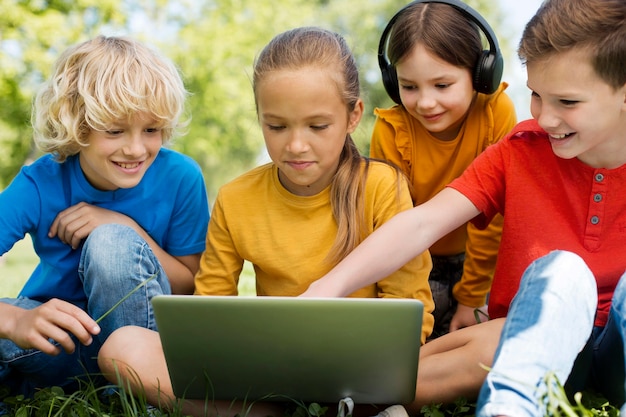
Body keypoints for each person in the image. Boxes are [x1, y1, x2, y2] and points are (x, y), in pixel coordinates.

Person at [302, 0, 626, 415]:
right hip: (532, 342)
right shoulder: (520, 151)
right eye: (537, 96)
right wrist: (328, 287)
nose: (544, 117)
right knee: (560, 274)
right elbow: (423, 223)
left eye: (568, 102)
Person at [97, 27, 434, 417]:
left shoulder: (381, 187)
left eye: (317, 126)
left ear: (352, 116)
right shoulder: (236, 198)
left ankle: (359, 405)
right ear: (259, 118)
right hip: (270, 377)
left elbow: (410, 312)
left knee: (459, 354)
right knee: (122, 347)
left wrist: (369, 367)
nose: (295, 145)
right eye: (276, 126)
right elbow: (209, 309)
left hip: (362, 372)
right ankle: (273, 413)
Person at [0, 35, 209, 397]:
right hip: (64, 344)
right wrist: (16, 319)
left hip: (144, 348)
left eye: (151, 130)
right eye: (114, 131)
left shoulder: (180, 176)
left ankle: (134, 392)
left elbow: (189, 284)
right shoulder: (40, 182)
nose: (135, 148)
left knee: (112, 241)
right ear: (77, 126)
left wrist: (124, 227)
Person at [373, 0, 516, 338]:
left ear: (480, 74)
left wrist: (470, 298)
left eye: (442, 85)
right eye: (409, 87)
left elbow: (494, 220)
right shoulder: (392, 130)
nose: (425, 102)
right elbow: (393, 225)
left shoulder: (496, 113)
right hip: (417, 260)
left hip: (483, 259)